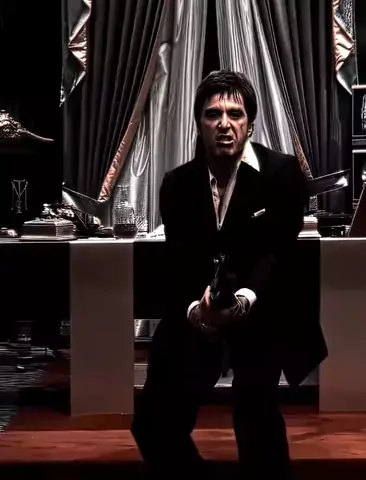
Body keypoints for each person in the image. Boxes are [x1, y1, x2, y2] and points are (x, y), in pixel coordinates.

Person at [132, 70, 327, 479]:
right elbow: (180, 261)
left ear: (250, 124)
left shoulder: (282, 174)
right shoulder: (176, 184)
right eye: (213, 114)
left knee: (256, 418)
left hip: (262, 308)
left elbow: (277, 253)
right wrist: (195, 311)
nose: (224, 123)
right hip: (198, 310)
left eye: (235, 114)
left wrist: (243, 301)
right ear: (199, 123)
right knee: (152, 424)